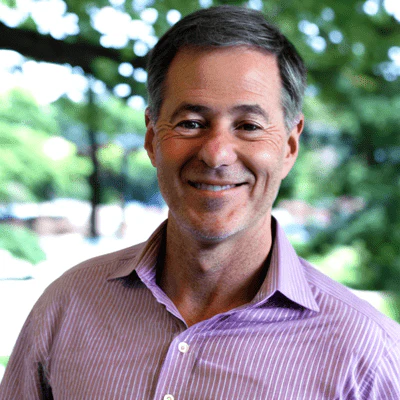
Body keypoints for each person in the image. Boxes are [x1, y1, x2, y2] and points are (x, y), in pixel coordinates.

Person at [1, 5, 399, 400]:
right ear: (152, 138)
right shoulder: (66, 309)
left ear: (290, 147)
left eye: (248, 126)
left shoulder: (368, 358)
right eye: (191, 123)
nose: (216, 154)